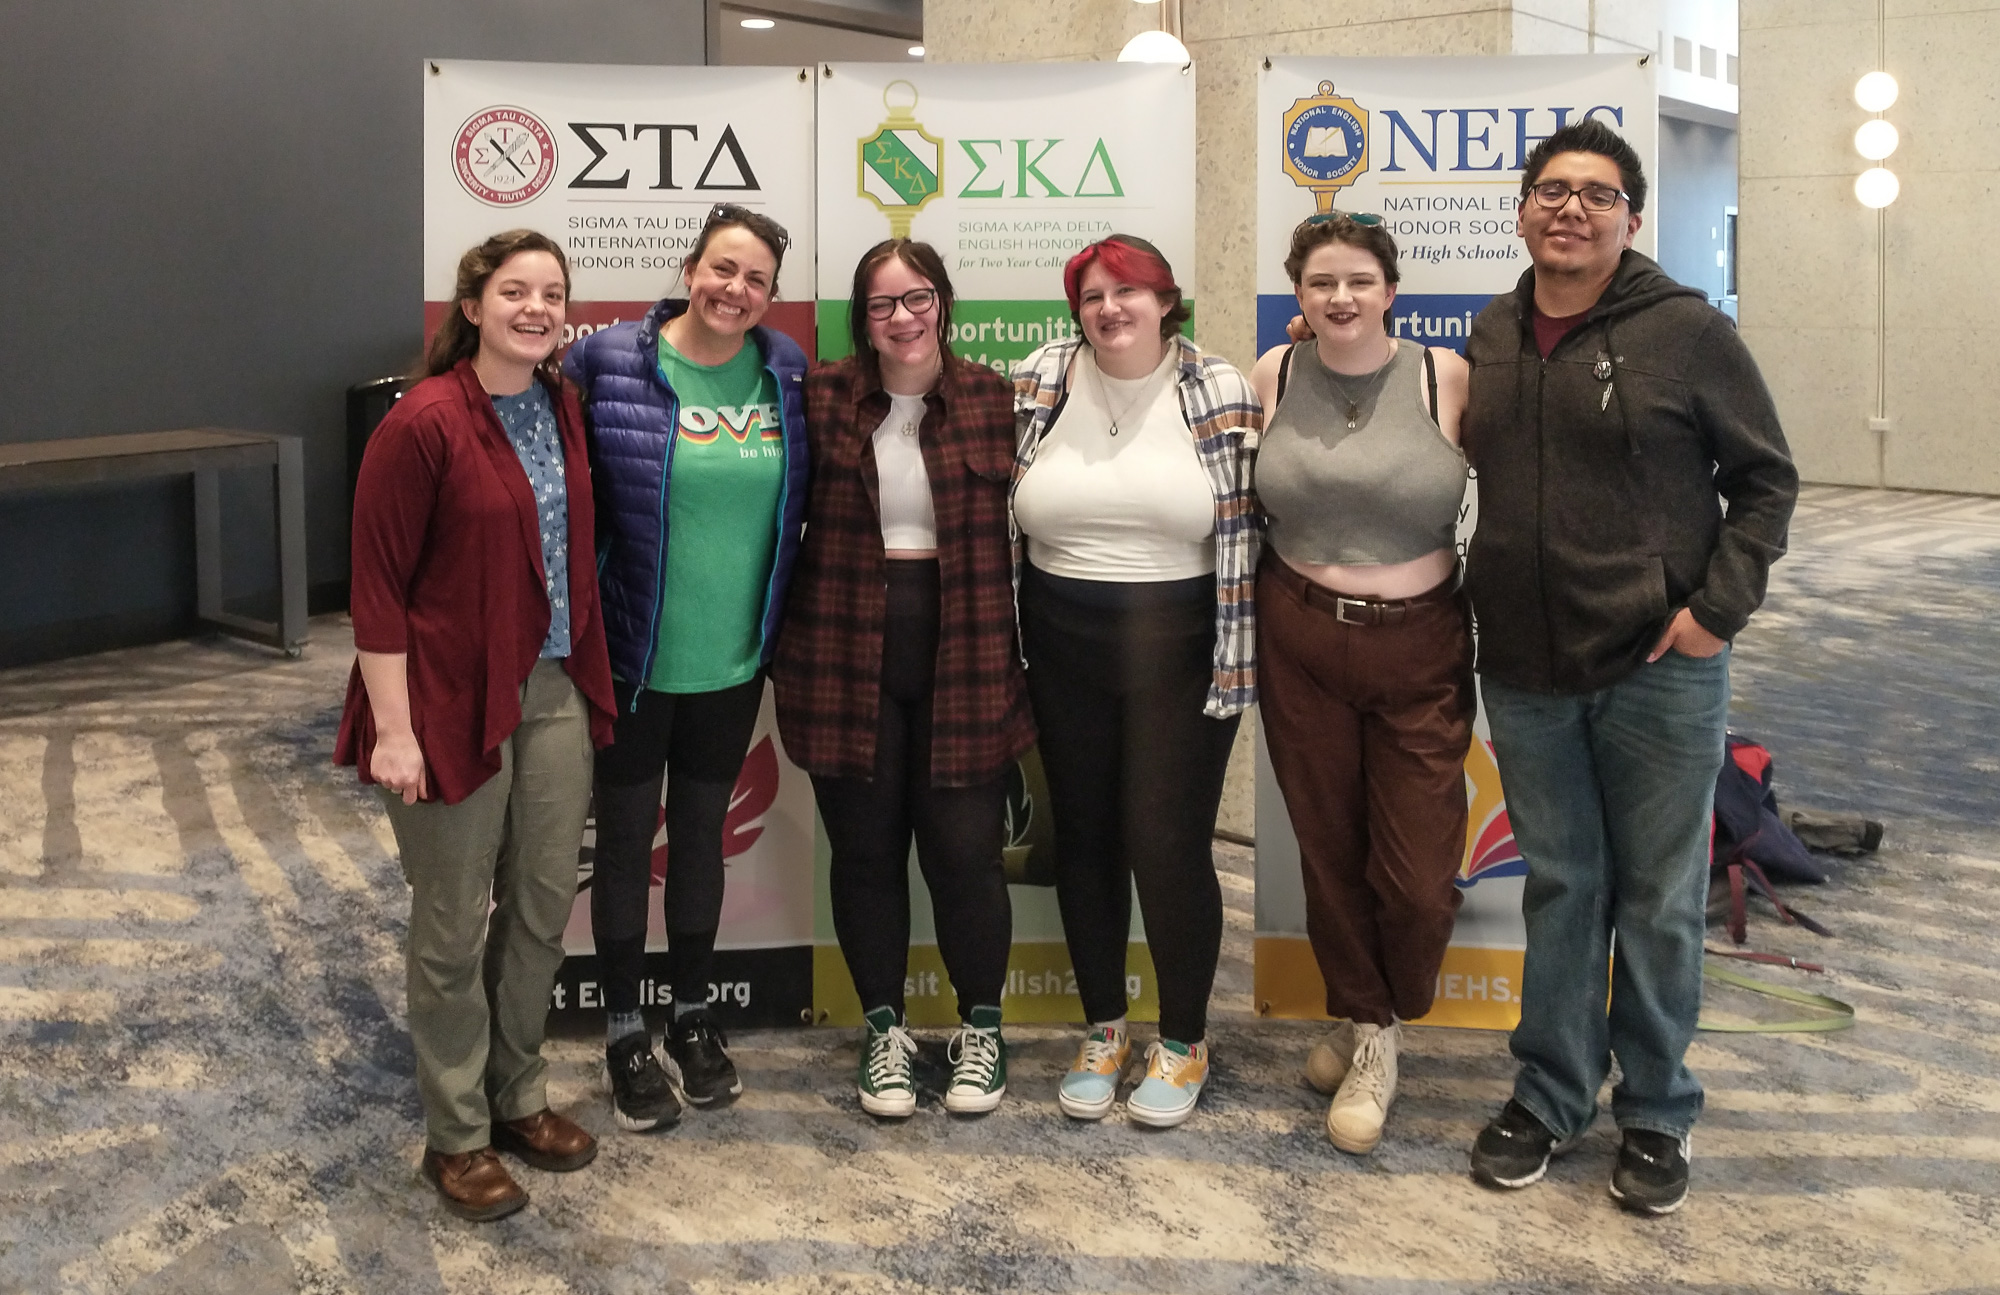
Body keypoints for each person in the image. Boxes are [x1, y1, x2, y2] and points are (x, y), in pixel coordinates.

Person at [1460, 120, 1796, 1214]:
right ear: (1519, 210)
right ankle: (1550, 1092)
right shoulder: (1490, 333)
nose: (1568, 208)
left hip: (1659, 662)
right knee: (1561, 887)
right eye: (1550, 190)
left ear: (1628, 218)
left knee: (1654, 898)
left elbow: (1764, 481)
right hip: (1522, 664)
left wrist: (1712, 611)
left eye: (1594, 194)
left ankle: (1654, 1107)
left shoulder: (1686, 331)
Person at [336, 229, 616, 1221]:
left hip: (551, 688)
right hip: (443, 695)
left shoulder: (562, 406)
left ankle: (517, 1095)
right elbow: (376, 592)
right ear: (472, 303)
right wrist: (395, 731)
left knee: (540, 905)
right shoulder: (422, 422)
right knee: (452, 923)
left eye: (551, 293)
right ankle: (455, 1135)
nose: (534, 308)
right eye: (513, 291)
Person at [773, 240, 1033, 1118]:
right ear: (862, 317)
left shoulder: (997, 399)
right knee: (868, 852)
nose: (903, 319)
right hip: (844, 653)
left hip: (966, 653)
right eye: (882, 305)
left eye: (917, 298)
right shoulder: (822, 397)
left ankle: (982, 1028)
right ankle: (884, 1029)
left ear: (944, 302)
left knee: (966, 853)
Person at [563, 204, 809, 1128]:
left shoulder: (784, 371)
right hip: (634, 660)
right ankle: (625, 1028)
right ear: (690, 267)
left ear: (771, 296)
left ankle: (690, 1013)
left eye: (754, 280)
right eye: (722, 269)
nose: (734, 291)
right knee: (628, 842)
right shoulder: (611, 364)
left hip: (733, 660)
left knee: (699, 838)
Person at [1011, 234, 1261, 1129]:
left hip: (1182, 640)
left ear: (1167, 301)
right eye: (1091, 295)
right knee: (1082, 836)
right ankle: (1104, 1028)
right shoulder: (1041, 375)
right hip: (1057, 635)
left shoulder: (1220, 388)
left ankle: (1185, 1037)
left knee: (1165, 840)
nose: (1109, 309)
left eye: (1129, 292)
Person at [1250, 212, 1473, 1155]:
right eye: (1320, 283)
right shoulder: (1271, 374)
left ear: (1392, 288)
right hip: (1298, 632)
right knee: (1327, 845)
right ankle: (1369, 1029)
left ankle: (1384, 1010)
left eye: (1359, 281)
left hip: (1419, 641)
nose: (1340, 298)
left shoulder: (1444, 376)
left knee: (1419, 878)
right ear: (1298, 295)